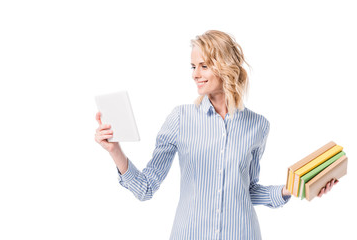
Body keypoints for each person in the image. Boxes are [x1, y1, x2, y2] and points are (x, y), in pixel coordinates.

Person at [95, 30, 338, 239]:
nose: (195, 74)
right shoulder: (181, 118)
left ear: (226, 67)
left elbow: (248, 190)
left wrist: (292, 188)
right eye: (193, 66)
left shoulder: (258, 125)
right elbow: (145, 188)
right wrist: (115, 151)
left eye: (204, 65)